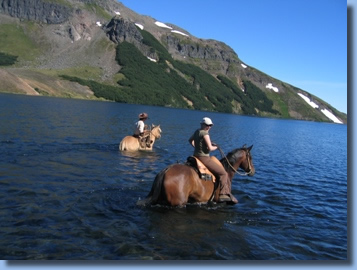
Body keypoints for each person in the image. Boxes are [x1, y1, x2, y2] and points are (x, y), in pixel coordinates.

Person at [188, 117, 238, 204]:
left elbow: (190, 141)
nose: (209, 127)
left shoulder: (197, 131)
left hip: (195, 156)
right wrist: (217, 147)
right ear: (202, 124)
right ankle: (223, 193)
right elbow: (210, 148)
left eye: (210, 125)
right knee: (223, 173)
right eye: (207, 125)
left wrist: (196, 147)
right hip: (204, 158)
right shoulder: (205, 134)